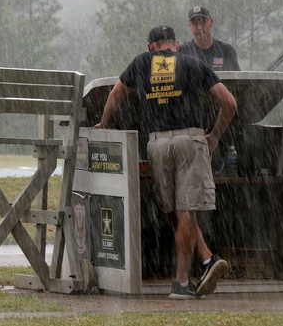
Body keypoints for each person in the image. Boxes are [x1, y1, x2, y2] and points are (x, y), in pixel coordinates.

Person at [95, 25, 237, 299]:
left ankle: (200, 267)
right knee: (185, 212)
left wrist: (106, 124)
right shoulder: (192, 63)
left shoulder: (140, 63)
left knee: (176, 212)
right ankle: (189, 275)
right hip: (190, 141)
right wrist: (215, 136)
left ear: (151, 46)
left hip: (157, 144)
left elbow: (114, 95)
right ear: (177, 44)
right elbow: (229, 103)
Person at [179, 6, 240, 71]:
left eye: (203, 22)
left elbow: (237, 79)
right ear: (189, 26)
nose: (199, 28)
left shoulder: (226, 51)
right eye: (195, 24)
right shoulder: (183, 52)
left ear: (211, 22)